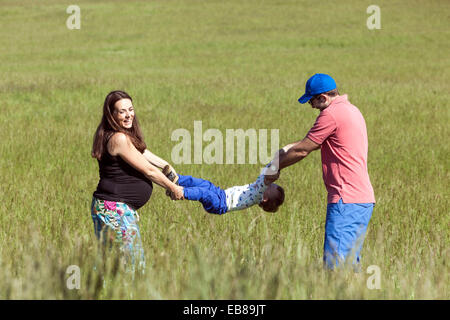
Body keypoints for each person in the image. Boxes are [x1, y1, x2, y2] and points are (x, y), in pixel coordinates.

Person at [266, 74, 375, 270]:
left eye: (312, 101)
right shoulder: (350, 110)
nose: (312, 106)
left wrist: (274, 168)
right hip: (361, 200)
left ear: (323, 97)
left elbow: (303, 150)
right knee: (349, 265)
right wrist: (282, 152)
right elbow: (309, 143)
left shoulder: (331, 114)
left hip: (346, 199)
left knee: (335, 267)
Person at [90, 90, 184, 272]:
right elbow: (148, 170)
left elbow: (141, 152)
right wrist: (173, 187)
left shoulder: (116, 134)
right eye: (122, 111)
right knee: (132, 264)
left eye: (130, 109)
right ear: (112, 114)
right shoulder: (118, 138)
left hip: (109, 207)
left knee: (109, 263)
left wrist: (166, 165)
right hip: (114, 210)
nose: (128, 115)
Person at [163, 165, 285, 214]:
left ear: (265, 198)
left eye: (272, 187)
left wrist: (276, 167)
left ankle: (179, 192)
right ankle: (177, 179)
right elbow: (265, 173)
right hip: (221, 193)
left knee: (203, 193)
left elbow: (267, 177)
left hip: (220, 204)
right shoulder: (259, 188)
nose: (271, 184)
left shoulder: (259, 194)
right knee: (202, 183)